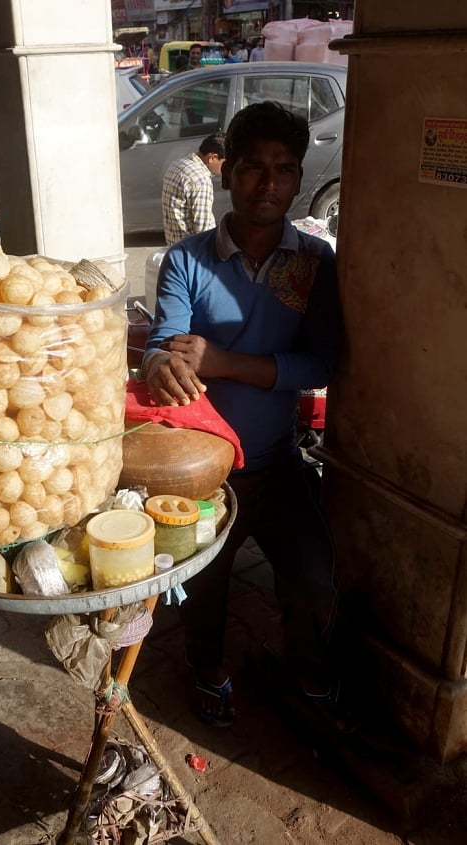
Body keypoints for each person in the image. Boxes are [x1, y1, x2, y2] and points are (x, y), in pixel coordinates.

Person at [142, 102, 344, 729]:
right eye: (254, 167)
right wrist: (155, 362)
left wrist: (223, 361)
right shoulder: (187, 261)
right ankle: (209, 671)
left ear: (299, 177)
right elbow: (166, 343)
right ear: (227, 171)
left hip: (279, 462)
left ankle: (306, 673)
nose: (268, 183)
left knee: (316, 581)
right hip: (202, 472)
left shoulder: (315, 263)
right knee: (202, 592)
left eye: (284, 170)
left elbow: (322, 365)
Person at [161, 133, 225, 246]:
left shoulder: (176, 165)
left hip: (173, 246)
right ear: (213, 158)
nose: (223, 169)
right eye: (224, 163)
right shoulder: (201, 180)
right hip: (191, 253)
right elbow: (204, 230)